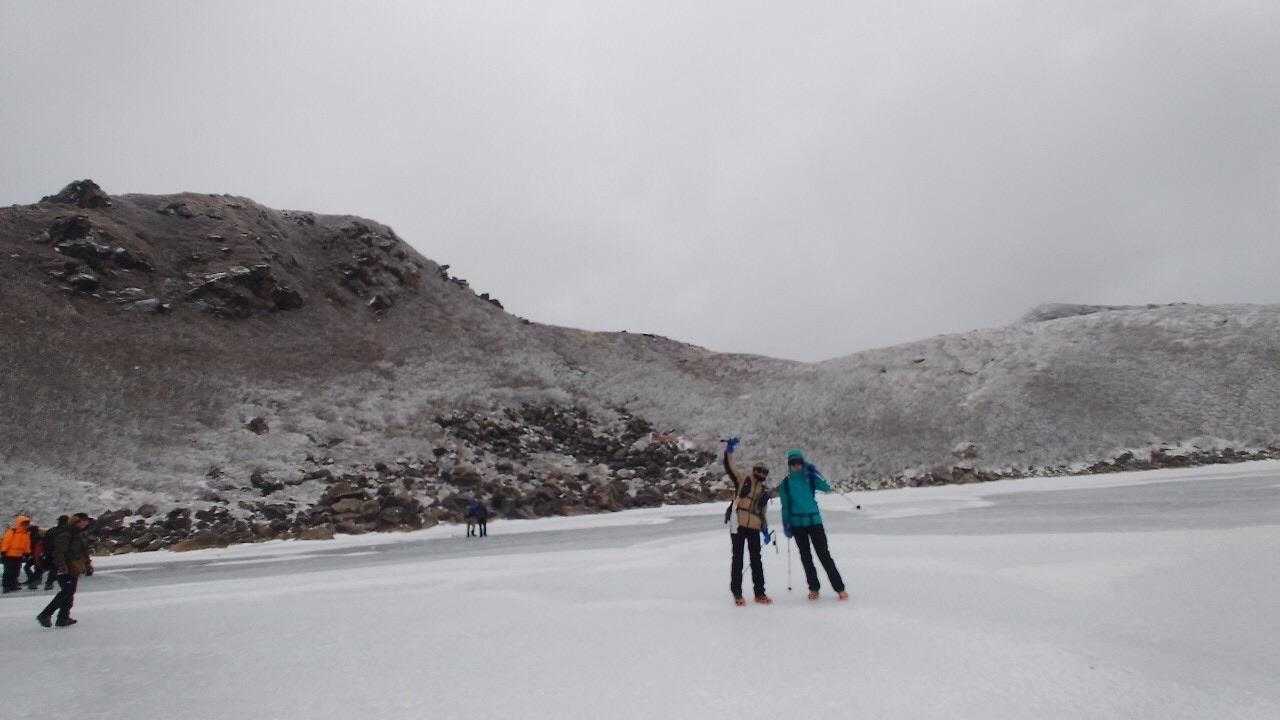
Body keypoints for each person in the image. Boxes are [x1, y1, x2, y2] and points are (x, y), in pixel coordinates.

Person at [780, 449, 848, 601]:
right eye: (793, 463)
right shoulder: (785, 483)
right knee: (806, 557)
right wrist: (786, 524)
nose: (796, 466)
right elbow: (785, 506)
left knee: (824, 555)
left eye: (799, 463)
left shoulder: (809, 477)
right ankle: (814, 588)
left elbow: (827, 487)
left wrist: (815, 473)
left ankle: (839, 588)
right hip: (797, 524)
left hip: (815, 522)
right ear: (789, 465)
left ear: (803, 463)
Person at [722, 437, 773, 606]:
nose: (762, 474)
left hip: (754, 526)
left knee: (756, 559)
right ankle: (737, 593)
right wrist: (729, 451)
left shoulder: (764, 491)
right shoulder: (743, 479)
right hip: (737, 523)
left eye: (765, 472)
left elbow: (763, 512)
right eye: (760, 471)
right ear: (754, 470)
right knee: (738, 558)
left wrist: (765, 530)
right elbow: (730, 466)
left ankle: (760, 593)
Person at [37, 513, 92, 628]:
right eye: (85, 520)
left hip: (73, 567)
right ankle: (45, 614)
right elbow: (59, 552)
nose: (87, 522)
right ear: (78, 522)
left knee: (69, 591)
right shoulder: (67, 534)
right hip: (65, 567)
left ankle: (63, 617)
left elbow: (82, 551)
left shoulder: (77, 533)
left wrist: (87, 564)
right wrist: (62, 567)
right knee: (67, 591)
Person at [1, 514, 33, 593]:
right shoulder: (12, 531)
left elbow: (27, 544)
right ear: (19, 523)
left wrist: (27, 552)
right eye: (24, 523)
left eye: (26, 524)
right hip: (9, 555)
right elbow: (6, 541)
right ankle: (6, 586)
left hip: (19, 556)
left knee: (16, 571)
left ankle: (13, 585)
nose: (26, 525)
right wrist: (3, 551)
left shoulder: (26, 534)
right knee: (8, 571)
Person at [41, 516, 68, 591]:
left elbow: (44, 541)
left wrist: (46, 551)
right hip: (60, 552)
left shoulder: (51, 530)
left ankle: (49, 582)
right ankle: (51, 583)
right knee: (57, 568)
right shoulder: (66, 531)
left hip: (49, 552)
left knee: (54, 568)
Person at [24, 525, 43, 590]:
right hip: (35, 555)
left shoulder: (35, 537)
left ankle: (33, 582)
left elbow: (35, 547)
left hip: (36, 555)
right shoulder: (35, 536)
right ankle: (32, 580)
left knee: (36, 568)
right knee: (28, 567)